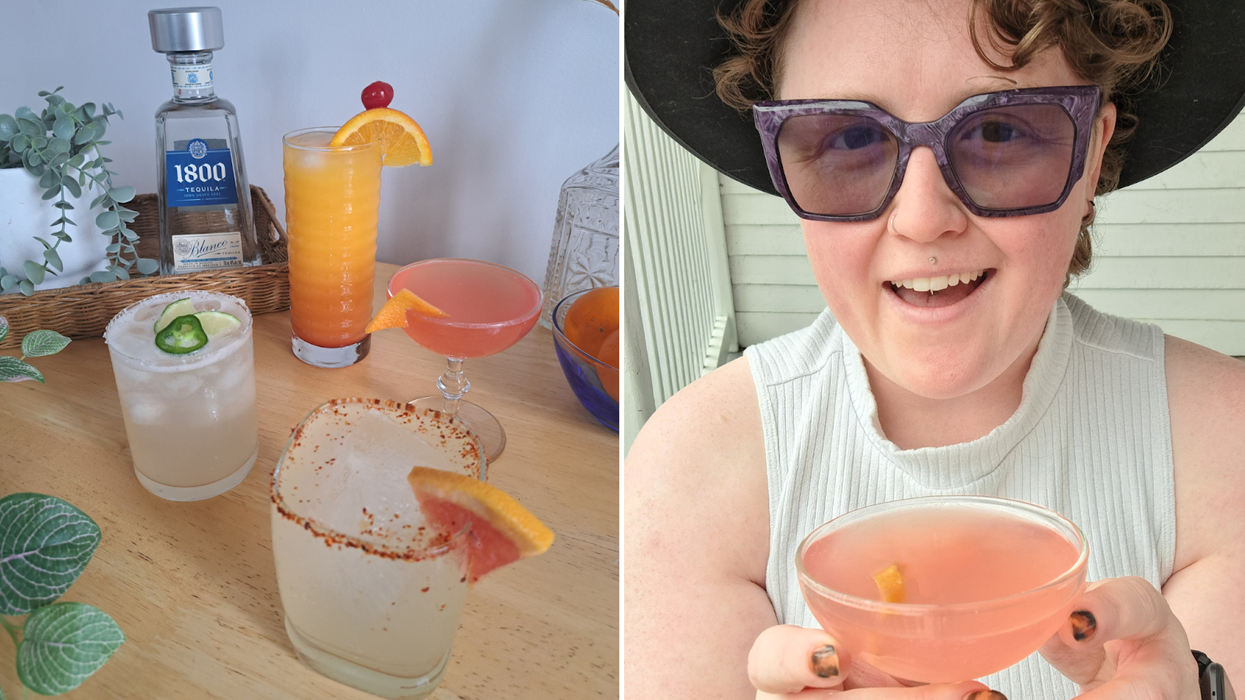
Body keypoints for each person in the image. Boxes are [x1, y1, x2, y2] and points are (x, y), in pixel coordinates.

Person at [624, 0, 1245, 699]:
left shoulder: (1226, 446)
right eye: (850, 136)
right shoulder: (688, 472)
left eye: (999, 129)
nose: (922, 219)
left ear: (1092, 151)